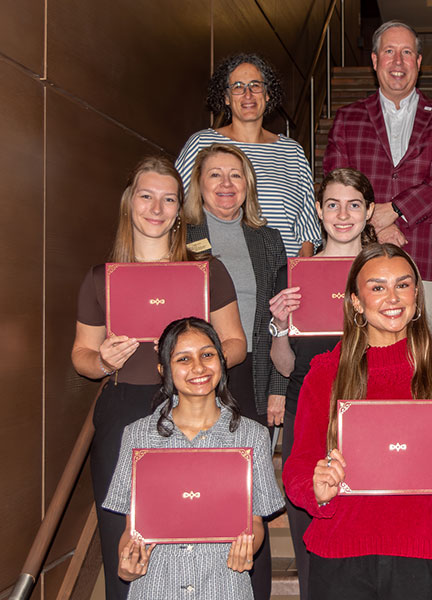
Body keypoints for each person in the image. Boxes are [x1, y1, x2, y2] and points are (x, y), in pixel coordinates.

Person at [71, 157, 246, 600]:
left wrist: (201, 365)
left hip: (196, 409)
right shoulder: (98, 279)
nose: (157, 207)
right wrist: (104, 361)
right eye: (147, 196)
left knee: (200, 522)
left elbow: (235, 343)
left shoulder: (209, 271)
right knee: (126, 534)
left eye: (169, 199)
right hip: (125, 406)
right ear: (130, 203)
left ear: (179, 210)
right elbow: (81, 356)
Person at [281, 243, 432, 600]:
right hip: (339, 552)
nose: (393, 297)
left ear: (417, 295)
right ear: (356, 302)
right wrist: (317, 490)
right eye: (377, 287)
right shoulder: (325, 373)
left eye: (403, 285)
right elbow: (298, 466)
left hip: (419, 554)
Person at [103, 317, 284, 600]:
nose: (198, 367)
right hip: (156, 585)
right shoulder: (138, 436)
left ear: (222, 360)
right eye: (183, 359)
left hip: (224, 583)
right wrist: (127, 566)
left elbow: (255, 521)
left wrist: (247, 547)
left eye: (207, 355)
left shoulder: (252, 436)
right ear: (164, 369)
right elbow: (132, 528)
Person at [267, 167, 377, 600]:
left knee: (364, 535)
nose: (343, 214)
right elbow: (285, 364)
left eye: (354, 205)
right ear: (318, 209)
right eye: (332, 204)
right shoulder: (294, 275)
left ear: (369, 211)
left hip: (369, 415)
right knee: (309, 529)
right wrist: (279, 324)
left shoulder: (385, 273)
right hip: (308, 415)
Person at [183, 143, 287, 599]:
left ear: (249, 185)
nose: (226, 185)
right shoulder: (179, 234)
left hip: (249, 374)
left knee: (248, 498)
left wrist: (278, 386)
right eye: (215, 176)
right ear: (198, 186)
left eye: (236, 175)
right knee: (195, 490)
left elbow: (283, 320)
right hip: (190, 381)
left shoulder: (267, 239)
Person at [323, 20, 432, 335]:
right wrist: (376, 217)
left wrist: (398, 209)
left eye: (406, 52)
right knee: (361, 362)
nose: (398, 61)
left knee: (423, 363)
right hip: (360, 258)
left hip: (425, 260)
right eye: (389, 51)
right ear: (375, 61)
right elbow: (337, 180)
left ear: (418, 62)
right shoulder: (348, 118)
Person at [176, 52, 320, 257]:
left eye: (255, 85)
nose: (248, 95)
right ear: (226, 98)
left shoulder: (292, 151)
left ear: (267, 94)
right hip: (220, 268)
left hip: (284, 274)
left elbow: (307, 226)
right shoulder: (202, 144)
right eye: (237, 87)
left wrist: (300, 271)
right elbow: (176, 204)